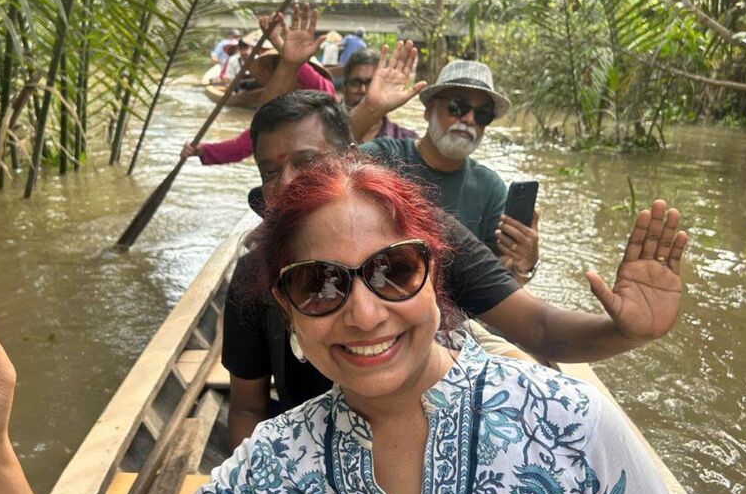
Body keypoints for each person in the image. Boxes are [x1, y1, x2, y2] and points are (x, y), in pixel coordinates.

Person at [0, 157, 715, 494]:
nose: (364, 312)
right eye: (320, 285)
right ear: (288, 311)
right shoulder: (276, 465)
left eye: (393, 270)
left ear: (434, 274)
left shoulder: (569, 427)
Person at [224, 90, 690, 449]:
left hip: (441, 432)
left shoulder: (420, 235)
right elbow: (247, 407)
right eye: (270, 171)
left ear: (350, 157)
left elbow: (539, 328)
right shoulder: (254, 276)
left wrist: (627, 332)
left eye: (307, 162)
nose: (287, 184)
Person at [355, 55, 539, 281]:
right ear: (429, 110)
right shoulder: (384, 157)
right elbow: (325, 169)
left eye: (482, 114)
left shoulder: (490, 188)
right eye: (457, 107)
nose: (469, 119)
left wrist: (524, 265)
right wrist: (369, 110)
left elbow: (501, 280)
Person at [181, 4, 336, 166]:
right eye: (279, 71)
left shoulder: (321, 96)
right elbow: (241, 146)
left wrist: (282, 48)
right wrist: (203, 150)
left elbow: (320, 89)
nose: (285, 75)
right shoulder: (276, 111)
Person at [341, 48, 417, 141]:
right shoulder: (326, 134)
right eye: (355, 83)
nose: (363, 90)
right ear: (344, 89)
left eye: (371, 84)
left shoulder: (405, 141)